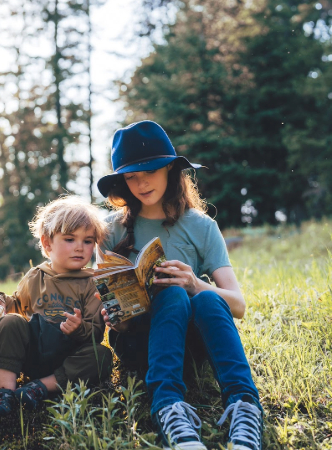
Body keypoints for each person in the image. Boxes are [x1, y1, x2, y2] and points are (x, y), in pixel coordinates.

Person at [97, 121, 262, 450]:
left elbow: (238, 305)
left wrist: (195, 284)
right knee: (170, 293)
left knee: (205, 299)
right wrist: (116, 314)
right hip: (139, 342)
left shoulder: (201, 226)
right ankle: (168, 408)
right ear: (122, 181)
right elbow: (103, 297)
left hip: (194, 342)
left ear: (171, 169)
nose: (141, 182)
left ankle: (245, 408)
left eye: (151, 171)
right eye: (131, 176)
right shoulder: (110, 230)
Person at [0, 196, 113, 417]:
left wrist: (79, 328)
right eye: (70, 239)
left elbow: (95, 334)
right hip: (33, 353)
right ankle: (5, 393)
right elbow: (15, 305)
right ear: (47, 243)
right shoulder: (36, 276)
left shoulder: (94, 283)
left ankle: (39, 388)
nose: (79, 247)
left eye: (88, 241)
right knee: (10, 321)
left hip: (69, 358)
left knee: (101, 355)